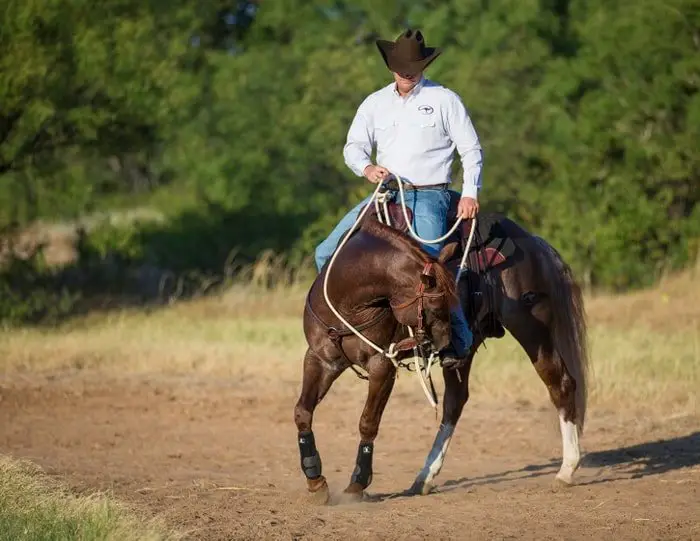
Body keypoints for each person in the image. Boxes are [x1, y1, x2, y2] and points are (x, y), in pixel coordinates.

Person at [314, 29, 484, 369]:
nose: (407, 71)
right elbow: (353, 146)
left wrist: (469, 193)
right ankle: (360, 329)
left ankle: (457, 340)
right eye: (401, 65)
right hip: (385, 194)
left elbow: (470, 149)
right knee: (326, 252)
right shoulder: (374, 103)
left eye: (414, 65)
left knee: (430, 271)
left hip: (430, 194)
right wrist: (366, 168)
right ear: (391, 64)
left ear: (423, 65)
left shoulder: (444, 99)